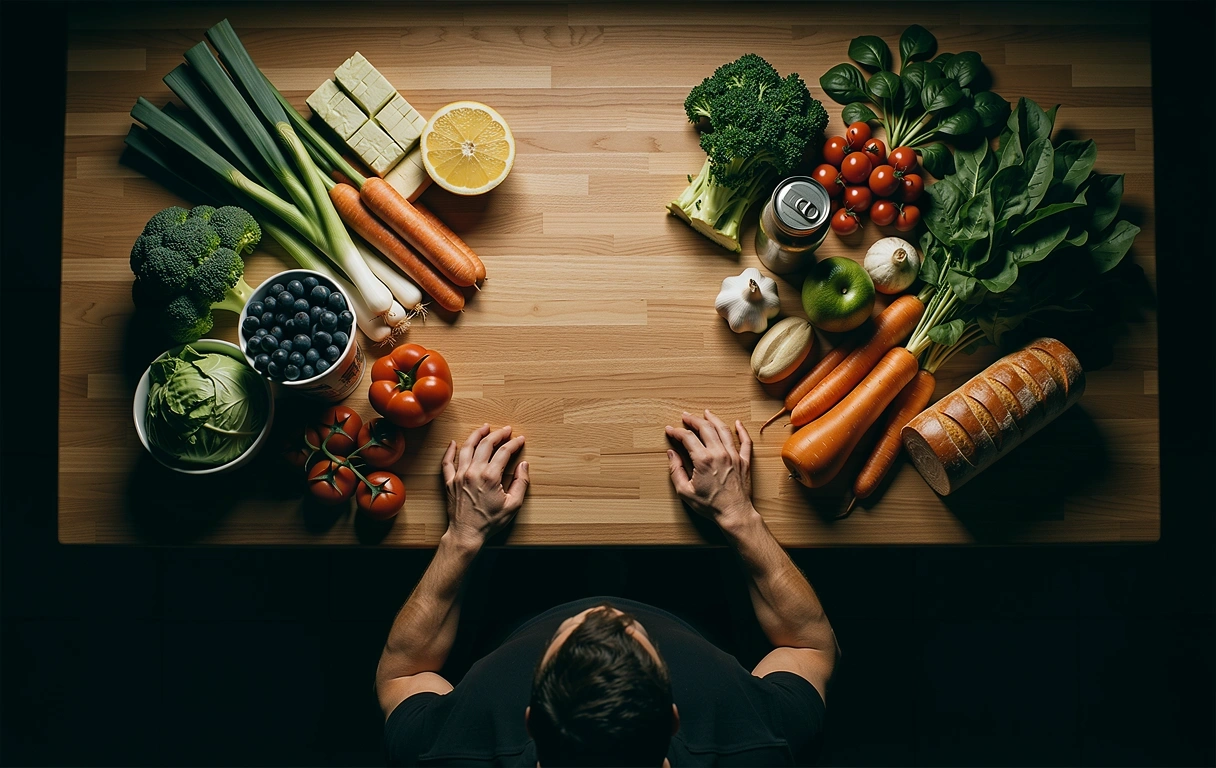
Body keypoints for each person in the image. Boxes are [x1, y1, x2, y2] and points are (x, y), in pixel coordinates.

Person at [377, 411, 838, 766]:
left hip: (508, 601)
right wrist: (739, 515)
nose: (603, 610)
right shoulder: (761, 746)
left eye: (570, 634)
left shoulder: (445, 753)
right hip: (699, 599)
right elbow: (810, 645)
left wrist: (462, 537)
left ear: (531, 722)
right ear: (674, 719)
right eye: (631, 633)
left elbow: (403, 675)